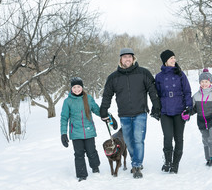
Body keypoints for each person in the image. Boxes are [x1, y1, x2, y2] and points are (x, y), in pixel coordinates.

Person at [100, 48, 161, 179]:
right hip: (124, 114)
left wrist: (156, 106)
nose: (127, 59)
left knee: (138, 140)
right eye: (124, 57)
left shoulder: (143, 73)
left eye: (130, 57)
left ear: (133, 59)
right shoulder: (113, 77)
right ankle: (135, 160)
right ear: (120, 59)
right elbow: (107, 95)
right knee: (128, 140)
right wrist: (103, 110)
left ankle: (137, 165)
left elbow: (152, 90)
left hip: (140, 112)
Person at [60, 77, 107, 181]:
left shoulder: (88, 98)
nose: (77, 89)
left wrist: (108, 117)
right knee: (79, 154)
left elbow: (97, 110)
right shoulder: (67, 101)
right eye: (74, 87)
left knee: (92, 151)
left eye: (79, 87)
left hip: (89, 130)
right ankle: (81, 175)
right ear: (71, 88)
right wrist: (63, 133)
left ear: (82, 87)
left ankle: (95, 168)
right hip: (76, 133)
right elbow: (64, 118)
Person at [155, 49, 192, 174]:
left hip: (179, 111)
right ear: (165, 61)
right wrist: (157, 109)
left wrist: (188, 107)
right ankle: (168, 162)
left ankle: (175, 164)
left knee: (179, 138)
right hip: (165, 112)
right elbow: (157, 95)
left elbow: (187, 92)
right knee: (167, 137)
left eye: (174, 58)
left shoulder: (180, 74)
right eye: (171, 58)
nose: (174, 60)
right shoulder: (159, 77)